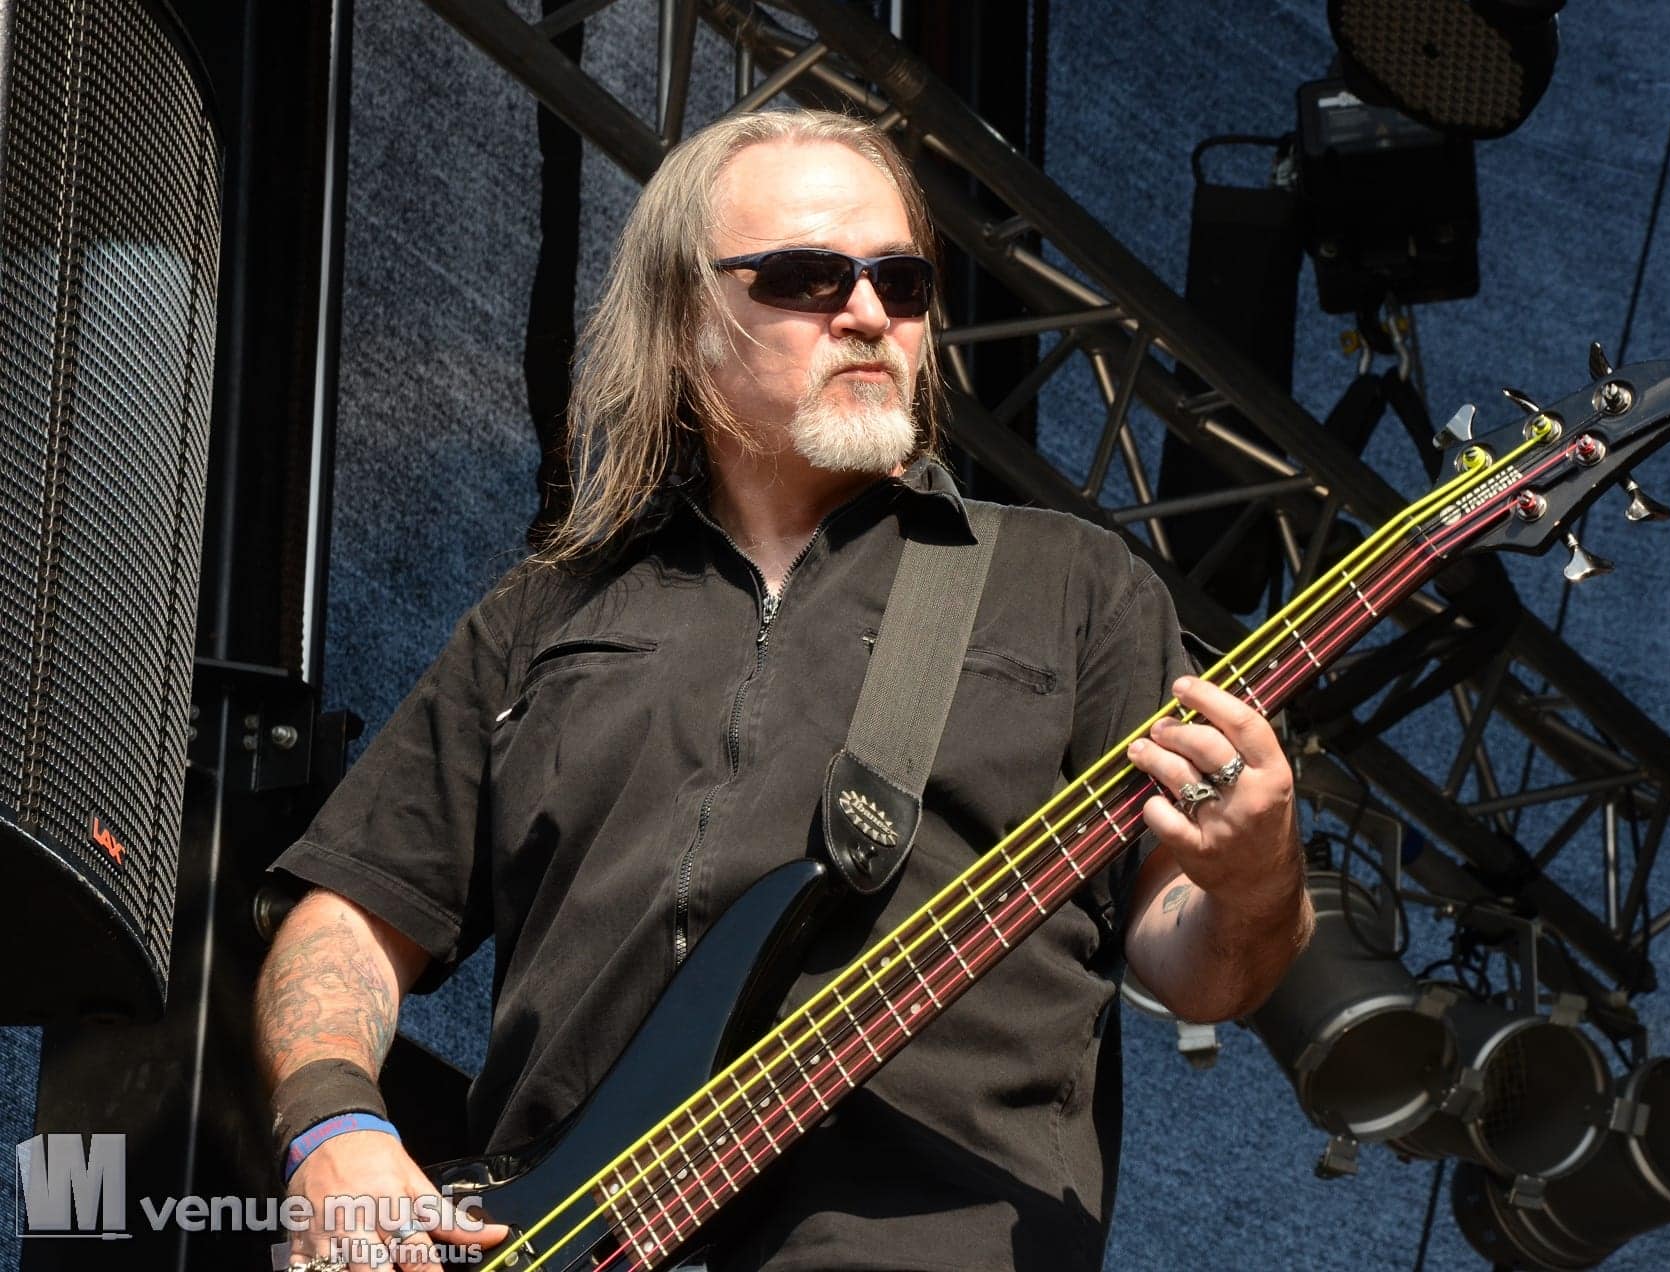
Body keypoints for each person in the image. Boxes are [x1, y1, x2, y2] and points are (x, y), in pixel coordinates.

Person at [254, 107, 1312, 1272]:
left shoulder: (1069, 584)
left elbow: (1197, 965)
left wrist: (1259, 876)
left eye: (902, 282)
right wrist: (333, 1128)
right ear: (681, 320)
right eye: (810, 277)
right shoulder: (543, 616)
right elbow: (351, 916)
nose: (867, 313)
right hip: (562, 1236)